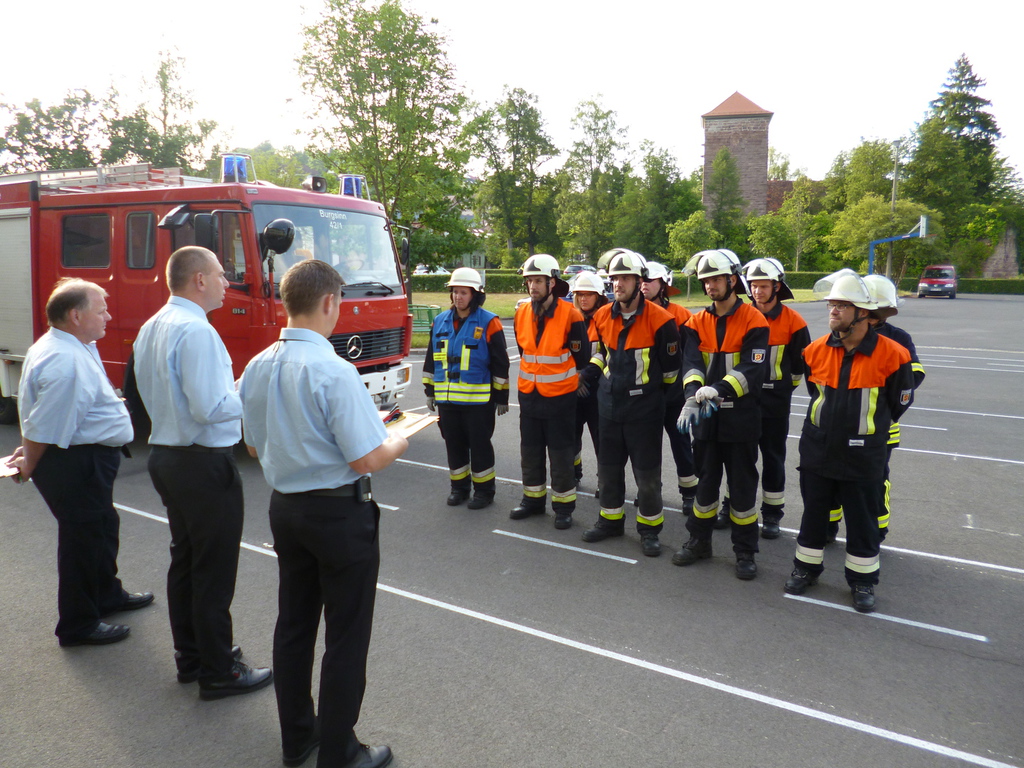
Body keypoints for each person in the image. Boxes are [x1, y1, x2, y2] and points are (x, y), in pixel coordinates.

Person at [240, 259, 407, 768]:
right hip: (337, 515)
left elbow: (252, 447)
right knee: (346, 635)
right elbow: (366, 458)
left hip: (286, 508)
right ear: (330, 302)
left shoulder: (256, 364)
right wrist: (398, 439)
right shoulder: (334, 369)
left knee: (293, 626)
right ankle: (340, 752)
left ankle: (299, 740)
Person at [134, 246, 272, 698]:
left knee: (187, 562)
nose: (226, 282)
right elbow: (212, 408)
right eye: (219, 274)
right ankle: (218, 670)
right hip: (200, 461)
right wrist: (253, 391)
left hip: (169, 455)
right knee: (213, 571)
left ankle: (192, 656)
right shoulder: (197, 331)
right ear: (198, 280)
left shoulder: (152, 326)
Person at [8, 279, 152, 647]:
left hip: (85, 457)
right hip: (75, 461)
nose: (109, 315)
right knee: (83, 540)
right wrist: (28, 463)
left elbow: (45, 416)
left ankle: (107, 595)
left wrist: (30, 451)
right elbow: (46, 425)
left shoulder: (74, 345)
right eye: (101, 309)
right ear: (75, 315)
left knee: (103, 525)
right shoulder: (65, 359)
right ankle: (78, 624)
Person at [784, 272, 914, 613]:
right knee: (814, 516)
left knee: (862, 521)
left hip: (864, 455)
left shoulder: (894, 355)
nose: (833, 311)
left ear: (864, 315)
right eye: (832, 304)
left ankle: (862, 582)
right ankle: (806, 569)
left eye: (842, 305)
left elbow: (899, 402)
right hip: (818, 449)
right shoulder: (814, 351)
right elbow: (816, 394)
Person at [672, 250, 769, 579]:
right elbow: (691, 365)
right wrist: (692, 397)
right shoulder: (696, 322)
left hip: (741, 419)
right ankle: (699, 541)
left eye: (716, 279)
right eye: (705, 281)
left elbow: (752, 368)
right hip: (707, 420)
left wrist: (719, 389)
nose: (710, 286)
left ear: (732, 279)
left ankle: (745, 551)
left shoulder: (754, 320)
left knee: (742, 490)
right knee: (705, 486)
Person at [581, 249, 681, 557]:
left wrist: (651, 400)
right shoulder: (601, 315)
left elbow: (671, 371)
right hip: (608, 407)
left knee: (647, 476)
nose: (618, 284)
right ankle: (610, 521)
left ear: (640, 282)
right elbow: (601, 353)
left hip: (644, 411)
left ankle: (649, 530)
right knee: (609, 470)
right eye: (614, 279)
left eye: (625, 278)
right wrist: (589, 372)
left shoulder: (662, 321)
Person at [826, 273, 926, 542]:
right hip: (839, 429)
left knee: (874, 483)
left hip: (879, 430)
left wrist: (879, 407)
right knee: (831, 479)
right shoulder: (841, 334)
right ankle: (828, 526)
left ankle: (876, 529)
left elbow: (911, 379)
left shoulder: (898, 339)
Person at [509, 254, 591, 530]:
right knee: (530, 452)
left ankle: (563, 508)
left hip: (560, 398)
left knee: (560, 454)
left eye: (538, 280)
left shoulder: (571, 315)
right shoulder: (521, 313)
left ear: (552, 283)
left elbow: (582, 360)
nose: (532, 286)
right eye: (529, 280)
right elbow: (525, 352)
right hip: (529, 396)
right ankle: (532, 501)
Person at [423, 268, 510, 509]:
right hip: (447, 402)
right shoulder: (439, 321)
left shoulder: (489, 322)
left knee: (480, 447)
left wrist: (501, 396)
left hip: (478, 403)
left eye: (463, 292)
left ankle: (484, 492)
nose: (458, 297)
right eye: (454, 292)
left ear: (475, 295)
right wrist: (429, 391)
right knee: (454, 445)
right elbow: (431, 360)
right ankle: (459, 488)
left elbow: (500, 362)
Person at [737, 258, 810, 539]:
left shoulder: (794, 321)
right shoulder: (741, 315)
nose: (757, 292)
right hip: (743, 400)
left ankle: (771, 515)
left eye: (763, 286)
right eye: (753, 286)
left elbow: (800, 365)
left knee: (773, 458)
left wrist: (779, 391)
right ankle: (735, 506)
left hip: (775, 403)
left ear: (776, 287)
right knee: (740, 457)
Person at [639, 262, 697, 515]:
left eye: (650, 280)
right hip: (646, 396)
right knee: (647, 448)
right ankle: (651, 493)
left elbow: (690, 357)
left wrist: (687, 393)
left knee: (681, 443)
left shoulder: (681, 315)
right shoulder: (635, 313)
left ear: (663, 284)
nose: (644, 284)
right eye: (641, 280)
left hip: (674, 396)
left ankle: (690, 493)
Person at [570, 271, 608, 492]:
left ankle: (604, 481)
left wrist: (584, 376)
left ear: (599, 296)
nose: (583, 299)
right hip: (572, 390)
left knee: (601, 441)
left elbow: (605, 353)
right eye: (580, 294)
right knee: (571, 437)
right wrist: (573, 379)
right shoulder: (571, 319)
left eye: (589, 295)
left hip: (597, 391)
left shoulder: (606, 319)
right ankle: (574, 474)